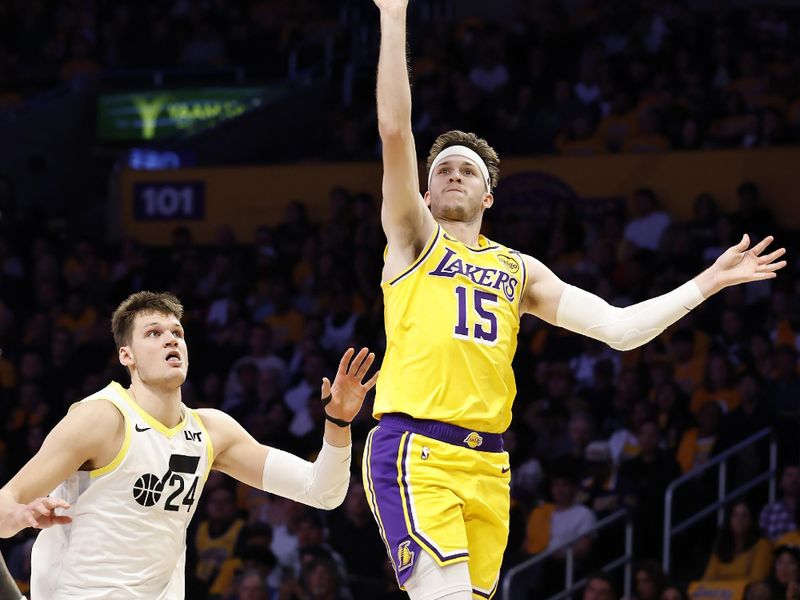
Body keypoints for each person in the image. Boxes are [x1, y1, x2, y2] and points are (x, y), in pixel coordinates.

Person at [366, 1, 787, 598]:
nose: (453, 175)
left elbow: (620, 329)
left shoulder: (519, 270)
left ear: (490, 198)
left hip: (490, 465)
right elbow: (393, 130)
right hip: (415, 449)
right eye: (442, 170)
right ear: (426, 192)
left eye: (467, 171)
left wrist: (708, 283)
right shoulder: (411, 240)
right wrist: (393, 14)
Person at [0, 291, 379, 599]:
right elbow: (5, 504)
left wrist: (339, 422)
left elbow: (323, 492)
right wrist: (22, 516)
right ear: (126, 356)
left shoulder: (211, 430)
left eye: (177, 333)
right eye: (153, 333)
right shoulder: (101, 418)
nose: (170, 339)